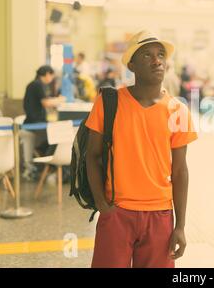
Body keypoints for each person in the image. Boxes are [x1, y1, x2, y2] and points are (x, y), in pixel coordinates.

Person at [85, 30, 198, 268]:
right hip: (117, 211)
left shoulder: (178, 110)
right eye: (147, 55)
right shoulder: (109, 103)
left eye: (160, 55)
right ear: (132, 65)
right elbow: (92, 156)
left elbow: (180, 171)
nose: (157, 60)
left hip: (160, 216)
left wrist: (180, 226)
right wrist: (102, 206)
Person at [21, 65, 65, 180]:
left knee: (54, 135)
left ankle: (46, 161)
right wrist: (60, 100)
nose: (52, 79)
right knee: (57, 136)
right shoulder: (37, 85)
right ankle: (49, 164)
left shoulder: (36, 84)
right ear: (47, 74)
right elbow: (46, 103)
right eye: (51, 76)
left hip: (34, 121)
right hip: (33, 123)